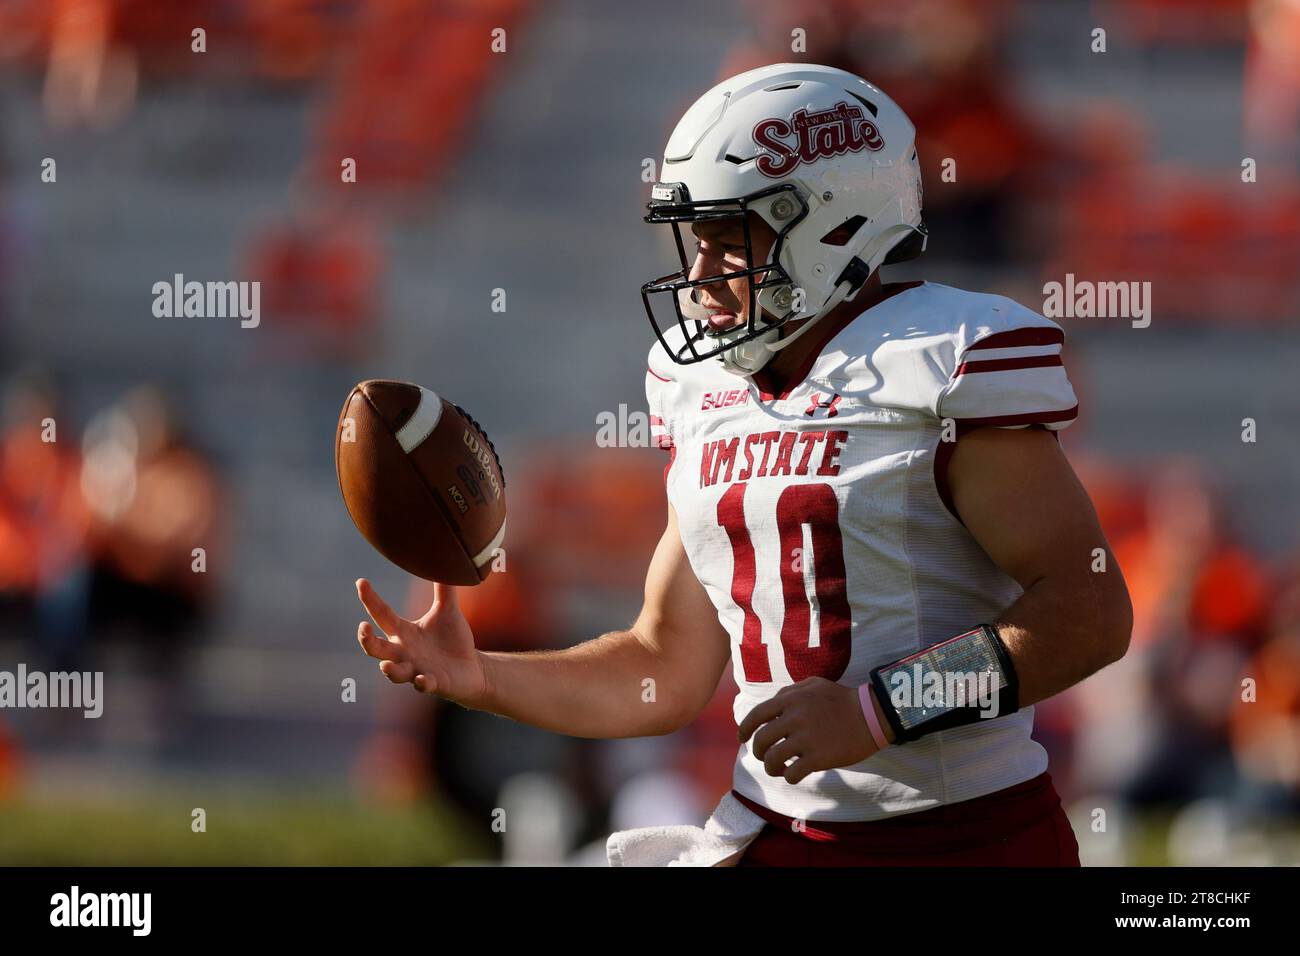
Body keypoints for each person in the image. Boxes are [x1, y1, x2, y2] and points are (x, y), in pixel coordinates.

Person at [354, 63, 1132, 866]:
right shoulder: (703, 389)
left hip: (963, 839)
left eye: (731, 242)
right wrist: (482, 677)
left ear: (834, 226)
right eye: (698, 242)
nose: (700, 277)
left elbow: (1088, 612)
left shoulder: (941, 361)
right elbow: (664, 666)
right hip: (775, 831)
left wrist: (879, 712)